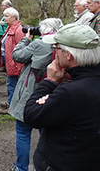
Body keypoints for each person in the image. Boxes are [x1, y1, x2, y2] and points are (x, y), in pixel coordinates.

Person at [24, 24, 100, 171]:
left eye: (56, 48)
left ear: (68, 55)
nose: (55, 53)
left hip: (62, 163)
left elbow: (31, 115)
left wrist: (49, 82)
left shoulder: (72, 93)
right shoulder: (82, 84)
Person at [8, 18, 63, 171]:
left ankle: (21, 167)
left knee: (23, 131)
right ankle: (46, 165)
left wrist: (26, 39)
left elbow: (18, 56)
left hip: (29, 90)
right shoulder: (62, 46)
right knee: (45, 131)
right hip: (52, 89)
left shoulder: (39, 43)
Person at [0, 7, 25, 114]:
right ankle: (11, 102)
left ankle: (12, 107)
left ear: (14, 17)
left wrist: (18, 65)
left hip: (14, 63)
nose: (4, 18)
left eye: (7, 16)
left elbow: (22, 48)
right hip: (9, 61)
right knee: (11, 83)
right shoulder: (9, 28)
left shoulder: (18, 30)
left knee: (12, 84)